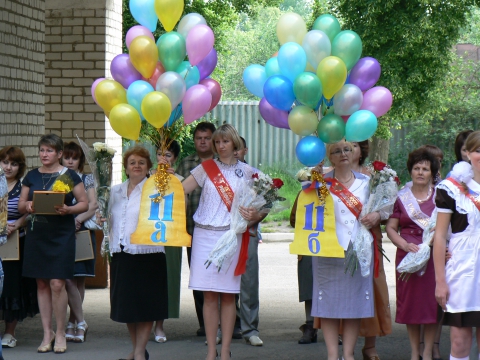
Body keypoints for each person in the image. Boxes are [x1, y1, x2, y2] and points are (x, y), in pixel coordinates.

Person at [180, 124, 257, 360]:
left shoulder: (248, 172)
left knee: (228, 295)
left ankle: (225, 352)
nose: (220, 146)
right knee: (210, 296)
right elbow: (182, 189)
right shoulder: (206, 168)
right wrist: (164, 175)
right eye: (217, 142)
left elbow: (266, 202)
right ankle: (211, 351)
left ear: (235, 144)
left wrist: (256, 216)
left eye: (225, 142)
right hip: (203, 235)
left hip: (231, 237)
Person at [18, 134, 88, 354]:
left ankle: (60, 332)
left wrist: (69, 210)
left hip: (61, 236)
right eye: (42, 150)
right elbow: (21, 205)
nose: (44, 154)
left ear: (59, 154)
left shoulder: (69, 176)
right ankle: (46, 333)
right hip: (37, 235)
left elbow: (84, 203)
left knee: (57, 283)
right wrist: (28, 205)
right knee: (41, 284)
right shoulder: (31, 176)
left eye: (49, 151)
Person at [312, 140, 378, 360]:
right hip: (327, 249)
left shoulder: (368, 182)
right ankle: (332, 354)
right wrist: (314, 177)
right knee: (328, 303)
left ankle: (348, 354)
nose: (343, 154)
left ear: (354, 153)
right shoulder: (320, 183)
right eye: (336, 151)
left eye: (347, 149)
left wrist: (377, 216)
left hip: (358, 248)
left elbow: (382, 209)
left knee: (354, 302)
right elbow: (311, 214)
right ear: (329, 156)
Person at [108, 146, 168, 360]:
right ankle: (136, 349)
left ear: (148, 167)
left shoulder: (157, 190)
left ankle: (140, 353)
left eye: (141, 162)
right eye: (132, 162)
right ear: (125, 167)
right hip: (122, 254)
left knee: (146, 307)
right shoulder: (114, 191)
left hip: (148, 255)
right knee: (128, 308)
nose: (136, 166)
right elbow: (109, 220)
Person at [385, 148, 440, 360]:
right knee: (411, 307)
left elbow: (445, 227)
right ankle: (414, 352)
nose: (420, 172)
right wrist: (405, 244)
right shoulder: (401, 197)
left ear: (431, 173)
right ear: (410, 171)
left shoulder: (441, 196)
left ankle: (427, 353)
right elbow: (391, 228)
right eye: (416, 168)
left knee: (430, 305)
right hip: (407, 257)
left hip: (432, 256)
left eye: (425, 169)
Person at [433, 130, 480, 360]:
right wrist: (440, 281)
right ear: (468, 153)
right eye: (478, 150)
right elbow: (440, 237)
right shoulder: (451, 188)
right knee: (460, 342)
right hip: (463, 272)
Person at [176, 121, 216, 337]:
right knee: (199, 278)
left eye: (207, 138)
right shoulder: (186, 164)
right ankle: (205, 323)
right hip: (193, 231)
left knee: (223, 278)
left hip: (221, 231)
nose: (202, 141)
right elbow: (177, 191)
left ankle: (233, 322)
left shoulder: (222, 163)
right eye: (199, 138)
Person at [0, 146, 39, 349]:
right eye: (5, 162)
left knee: (12, 286)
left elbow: (32, 211)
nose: (8, 167)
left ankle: (9, 332)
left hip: (16, 242)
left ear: (20, 167)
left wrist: (18, 223)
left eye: (13, 164)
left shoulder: (23, 187)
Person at [62, 141, 98, 343]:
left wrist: (77, 220)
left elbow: (92, 205)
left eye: (74, 158)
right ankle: (77, 322)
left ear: (80, 161)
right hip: (62, 232)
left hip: (82, 230)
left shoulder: (87, 178)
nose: (70, 161)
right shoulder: (57, 178)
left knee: (79, 278)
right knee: (67, 278)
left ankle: (74, 322)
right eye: (67, 157)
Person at [232, 137, 266, 347]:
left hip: (247, 234)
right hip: (222, 235)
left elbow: (268, 202)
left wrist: (258, 216)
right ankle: (221, 327)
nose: (234, 152)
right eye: (229, 147)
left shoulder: (254, 174)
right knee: (222, 284)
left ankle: (250, 328)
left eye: (238, 148)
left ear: (245, 149)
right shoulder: (214, 174)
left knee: (249, 283)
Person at [152, 139, 183, 343]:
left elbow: (183, 209)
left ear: (176, 159)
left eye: (168, 155)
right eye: (160, 153)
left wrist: (172, 183)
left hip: (171, 234)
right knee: (148, 279)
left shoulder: (180, 179)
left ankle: (160, 325)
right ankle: (144, 322)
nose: (163, 158)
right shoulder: (146, 177)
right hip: (148, 235)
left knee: (166, 279)